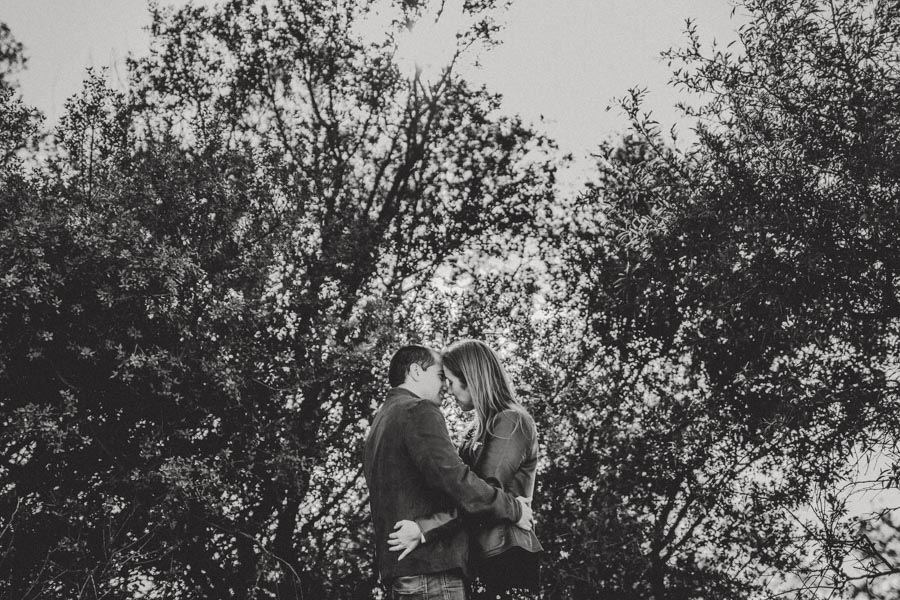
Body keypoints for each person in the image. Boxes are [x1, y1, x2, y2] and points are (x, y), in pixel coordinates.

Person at [364, 344, 534, 600]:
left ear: (473, 377)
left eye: (449, 379)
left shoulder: (381, 422)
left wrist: (424, 528)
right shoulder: (417, 411)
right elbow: (462, 487)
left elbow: (474, 488)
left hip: (488, 564)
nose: (445, 386)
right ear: (416, 372)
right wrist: (515, 508)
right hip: (434, 570)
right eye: (441, 376)